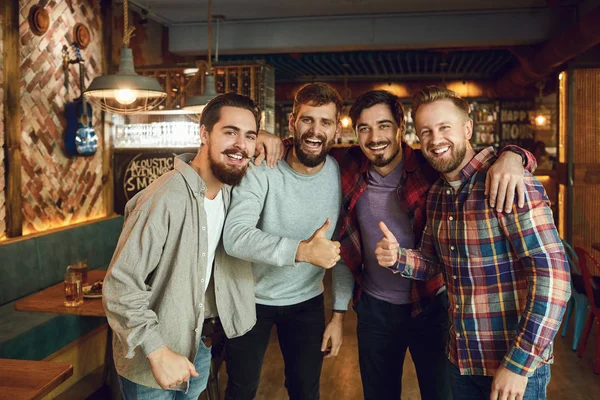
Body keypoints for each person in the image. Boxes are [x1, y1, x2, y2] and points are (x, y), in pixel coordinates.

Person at [336, 89, 535, 400]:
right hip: (374, 309)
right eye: (364, 128)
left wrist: (516, 156)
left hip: (431, 306)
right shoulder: (348, 164)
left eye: (384, 125)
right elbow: (307, 147)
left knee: (440, 394)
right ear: (355, 132)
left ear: (401, 127)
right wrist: (272, 139)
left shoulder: (433, 166)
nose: (375, 136)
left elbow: (477, 158)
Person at [376, 86, 571, 400]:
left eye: (444, 128)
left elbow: (554, 279)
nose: (435, 139)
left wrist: (519, 363)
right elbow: (433, 262)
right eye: (425, 131)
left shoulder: (509, 181)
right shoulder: (438, 194)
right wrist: (397, 257)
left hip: (511, 365)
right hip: (461, 360)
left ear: (467, 128)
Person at [103, 92, 270, 399]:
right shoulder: (166, 196)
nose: (240, 144)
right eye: (229, 132)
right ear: (204, 133)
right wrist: (157, 351)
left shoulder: (233, 196)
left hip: (198, 345)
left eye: (249, 136)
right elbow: (119, 285)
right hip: (153, 355)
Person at [222, 83, 354, 400]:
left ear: (337, 129)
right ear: (292, 120)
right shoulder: (262, 168)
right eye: (308, 119)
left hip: (306, 302)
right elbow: (235, 236)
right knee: (241, 389)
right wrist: (301, 251)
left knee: (305, 391)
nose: (315, 130)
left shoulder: (341, 175)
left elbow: (344, 250)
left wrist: (338, 316)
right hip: (249, 298)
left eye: (325, 122)